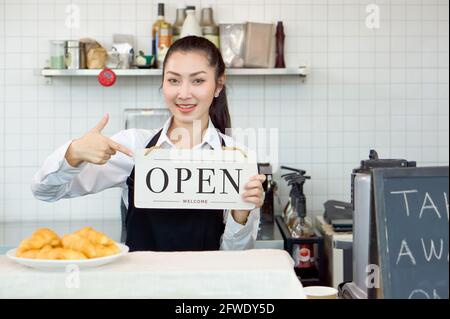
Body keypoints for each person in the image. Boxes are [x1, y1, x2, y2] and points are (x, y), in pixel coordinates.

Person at [31, 36, 265, 252]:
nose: (183, 93)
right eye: (173, 80)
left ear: (219, 85)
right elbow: (45, 191)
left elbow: (235, 257)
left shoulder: (237, 158)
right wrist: (74, 153)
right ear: (163, 83)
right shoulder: (133, 146)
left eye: (198, 81)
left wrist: (240, 215)